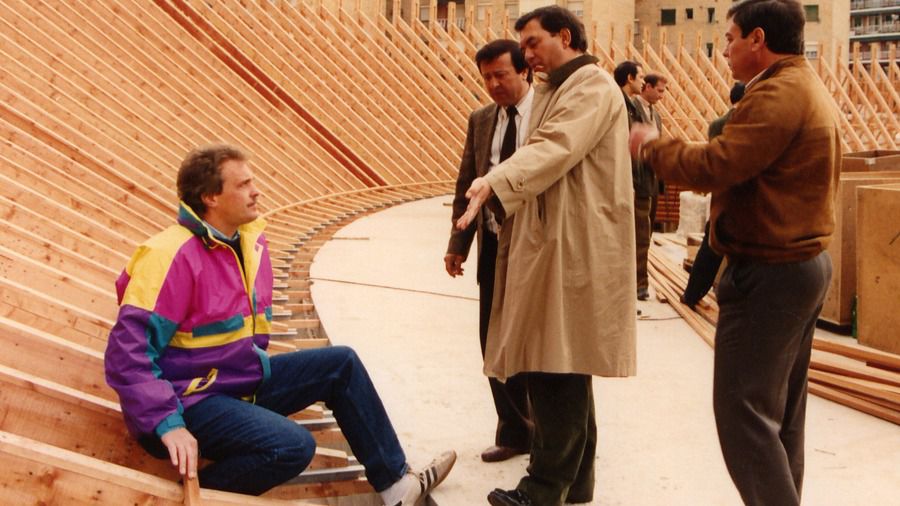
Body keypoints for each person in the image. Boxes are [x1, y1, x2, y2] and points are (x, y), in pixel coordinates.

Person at [104, 145, 455, 505]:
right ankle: (186, 501)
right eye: (243, 185)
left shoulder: (247, 243)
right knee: (290, 446)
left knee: (341, 365)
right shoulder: (170, 256)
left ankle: (396, 486)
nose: (256, 191)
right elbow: (127, 354)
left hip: (234, 380)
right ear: (210, 196)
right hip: (187, 399)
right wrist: (168, 422)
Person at [629, 1, 839, 504]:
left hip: (771, 271)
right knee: (779, 416)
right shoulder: (798, 85)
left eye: (729, 38)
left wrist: (652, 146)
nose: (723, 49)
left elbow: (720, 164)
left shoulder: (779, 93)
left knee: (743, 415)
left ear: (758, 39)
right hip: (796, 268)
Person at [457, 7, 636, 506]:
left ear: (566, 36)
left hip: (572, 246)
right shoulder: (561, 89)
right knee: (564, 362)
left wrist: (495, 179)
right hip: (555, 242)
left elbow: (555, 146)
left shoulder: (592, 88)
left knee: (554, 364)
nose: (528, 54)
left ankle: (542, 489)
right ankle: (576, 484)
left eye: (533, 44)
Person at [445, 39, 534, 464]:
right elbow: (467, 181)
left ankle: (551, 433)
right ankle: (516, 431)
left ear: (525, 72)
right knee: (492, 340)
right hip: (494, 243)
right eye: (487, 77)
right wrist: (457, 244)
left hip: (538, 246)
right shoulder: (481, 120)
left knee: (539, 339)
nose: (494, 84)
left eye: (502, 74)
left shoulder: (548, 116)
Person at [681, 81, 745, 310]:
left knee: (711, 247)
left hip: (722, 194)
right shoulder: (744, 123)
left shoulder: (718, 124)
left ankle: (691, 293)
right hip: (740, 196)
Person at [614, 60, 653, 300]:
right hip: (629, 183)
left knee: (639, 236)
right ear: (629, 78)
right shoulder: (619, 103)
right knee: (634, 237)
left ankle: (636, 285)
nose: (642, 82)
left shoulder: (631, 105)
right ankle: (633, 286)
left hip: (636, 182)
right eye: (640, 78)